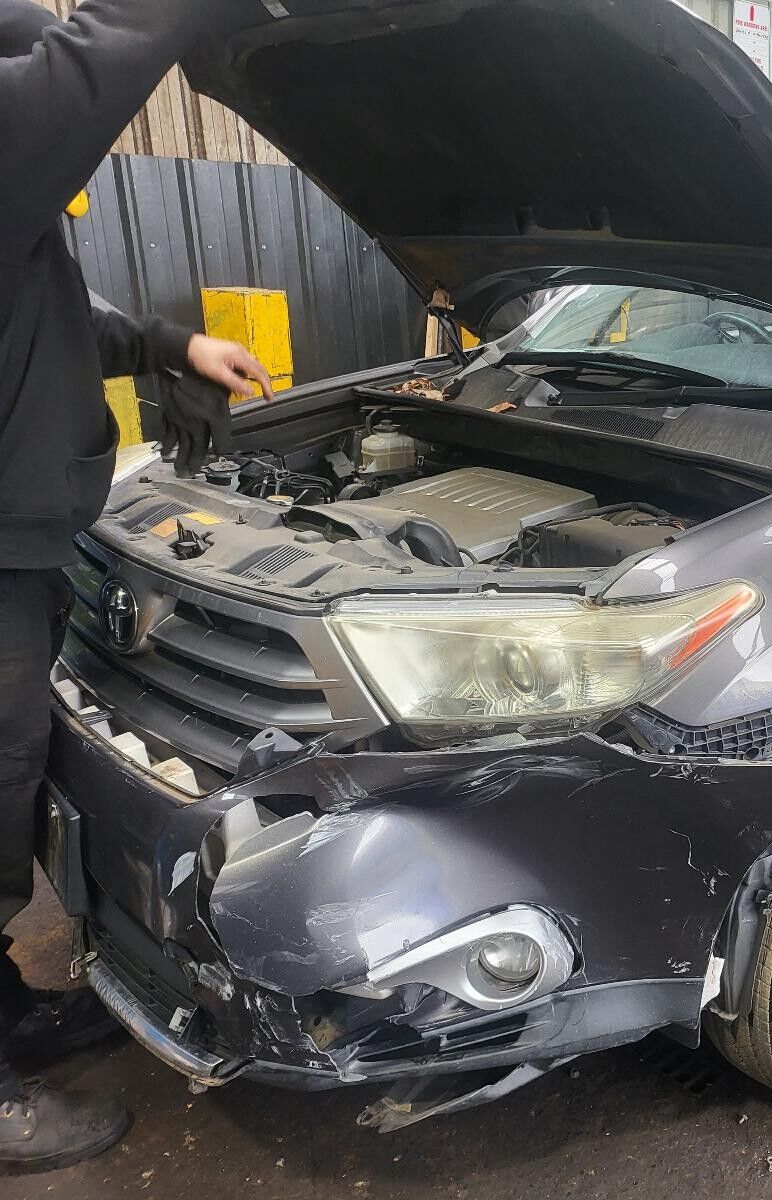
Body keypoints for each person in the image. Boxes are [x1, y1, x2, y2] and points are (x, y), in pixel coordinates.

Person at [1, 0, 270, 1173]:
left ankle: (7, 1010)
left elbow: (54, 308)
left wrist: (171, 344)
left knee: (10, 787)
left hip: (22, 544)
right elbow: (78, 72)